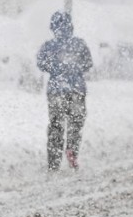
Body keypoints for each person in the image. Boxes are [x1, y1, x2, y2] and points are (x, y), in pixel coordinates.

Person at [36, 11, 93, 171]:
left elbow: (41, 64)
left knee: (56, 124)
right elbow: (88, 64)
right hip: (77, 90)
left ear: (53, 28)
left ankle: (54, 160)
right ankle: (72, 150)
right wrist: (74, 70)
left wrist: (56, 69)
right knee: (75, 122)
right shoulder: (80, 44)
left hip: (56, 90)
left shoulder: (48, 46)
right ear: (71, 27)